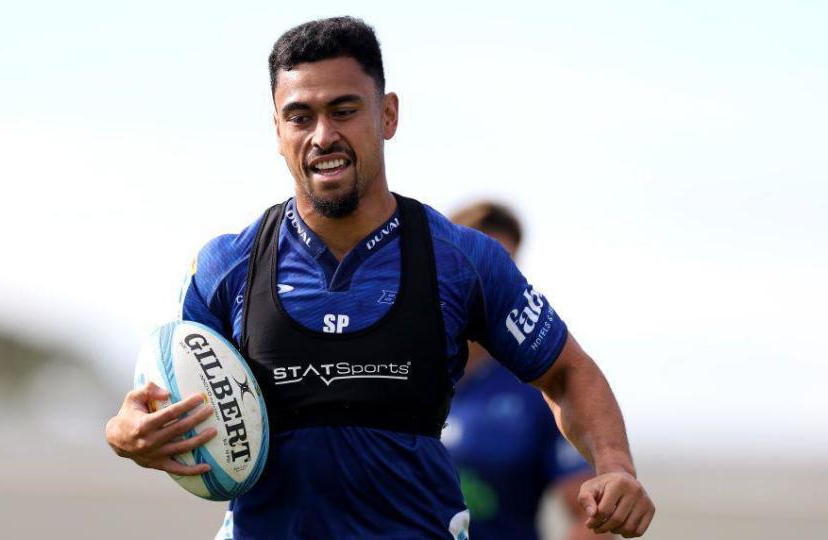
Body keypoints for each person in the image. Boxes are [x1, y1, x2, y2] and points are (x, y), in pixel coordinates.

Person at [105, 16, 655, 539]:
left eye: (344, 110)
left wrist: (615, 464)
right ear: (276, 129)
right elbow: (167, 397)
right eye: (300, 116)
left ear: (387, 115)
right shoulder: (227, 266)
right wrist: (125, 434)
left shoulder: (462, 259)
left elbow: (566, 373)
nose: (322, 135)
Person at [443, 201, 612, 540]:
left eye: (503, 265)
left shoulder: (536, 390)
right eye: (475, 264)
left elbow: (594, 522)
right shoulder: (390, 370)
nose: (487, 280)